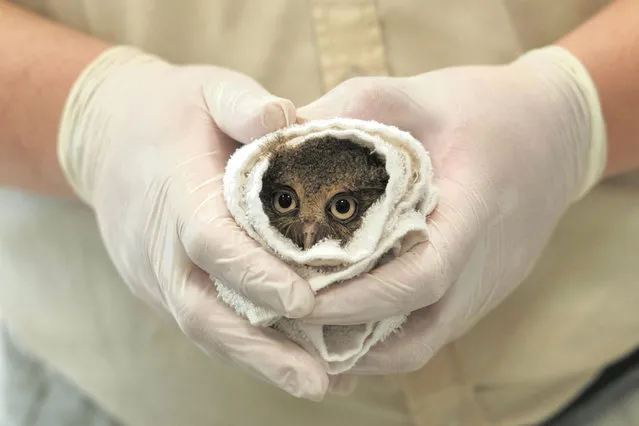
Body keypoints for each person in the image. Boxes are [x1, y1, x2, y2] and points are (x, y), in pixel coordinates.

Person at [0, 0, 637, 424]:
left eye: (335, 207)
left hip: (600, 367)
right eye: (286, 204)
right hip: (121, 392)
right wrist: (88, 114)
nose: (309, 231)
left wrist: (577, 107)